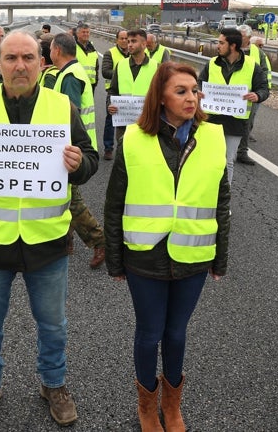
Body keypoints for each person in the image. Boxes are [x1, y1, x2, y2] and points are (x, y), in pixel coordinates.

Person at [0, 31, 98, 429]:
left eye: (28, 57)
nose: (20, 66)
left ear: (41, 63)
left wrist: (78, 163)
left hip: (47, 242)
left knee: (53, 325)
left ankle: (54, 384)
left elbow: (91, 161)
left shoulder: (62, 108)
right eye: (11, 58)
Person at [104, 61, 229, 432]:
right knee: (149, 332)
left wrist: (220, 258)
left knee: (177, 333)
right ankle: (147, 405)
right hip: (146, 255)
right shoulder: (133, 139)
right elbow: (115, 202)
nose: (191, 97)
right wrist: (115, 260)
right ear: (160, 97)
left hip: (193, 252)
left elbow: (222, 201)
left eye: (194, 90)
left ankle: (172, 405)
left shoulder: (213, 137)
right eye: (181, 91)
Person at [47, 32, 107, 269]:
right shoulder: (70, 71)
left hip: (71, 150)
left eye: (50, 49)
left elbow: (66, 116)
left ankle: (99, 241)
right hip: (73, 148)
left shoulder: (70, 76)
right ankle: (66, 240)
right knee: (64, 196)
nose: (49, 53)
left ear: (58, 51)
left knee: (70, 200)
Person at [198, 28, 269, 185]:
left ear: (233, 46)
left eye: (221, 43)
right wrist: (197, 91)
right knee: (209, 160)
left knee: (228, 161)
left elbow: (264, 88)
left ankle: (224, 200)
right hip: (211, 120)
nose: (218, 46)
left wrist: (258, 96)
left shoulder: (252, 66)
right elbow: (200, 82)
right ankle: (208, 195)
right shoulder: (211, 64)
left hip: (235, 122)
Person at [107, 28, 158, 145]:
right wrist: (109, 105)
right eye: (128, 41)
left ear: (144, 44)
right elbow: (113, 90)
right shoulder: (121, 65)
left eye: (133, 41)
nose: (129, 44)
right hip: (124, 124)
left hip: (146, 122)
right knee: (123, 156)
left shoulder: (156, 67)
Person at [236, 25, 272, 164]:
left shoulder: (258, 54)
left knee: (247, 122)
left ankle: (242, 152)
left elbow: (265, 73)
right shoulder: (231, 49)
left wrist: (261, 93)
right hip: (232, 96)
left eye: (242, 36)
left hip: (250, 95)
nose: (239, 39)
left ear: (249, 38)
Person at [101, 29, 129, 161]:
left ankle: (127, 147)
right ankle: (108, 148)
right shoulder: (109, 53)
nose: (124, 41)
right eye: (121, 38)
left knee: (130, 122)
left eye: (126, 39)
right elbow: (105, 72)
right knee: (111, 120)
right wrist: (123, 73)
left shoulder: (134, 53)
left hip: (132, 94)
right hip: (114, 92)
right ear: (117, 40)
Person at [74, 23, 100, 92]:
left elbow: (96, 67)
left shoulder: (92, 48)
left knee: (90, 103)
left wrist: (95, 81)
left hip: (91, 85)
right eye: (83, 32)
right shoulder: (72, 47)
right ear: (77, 34)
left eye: (87, 32)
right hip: (77, 84)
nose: (86, 34)